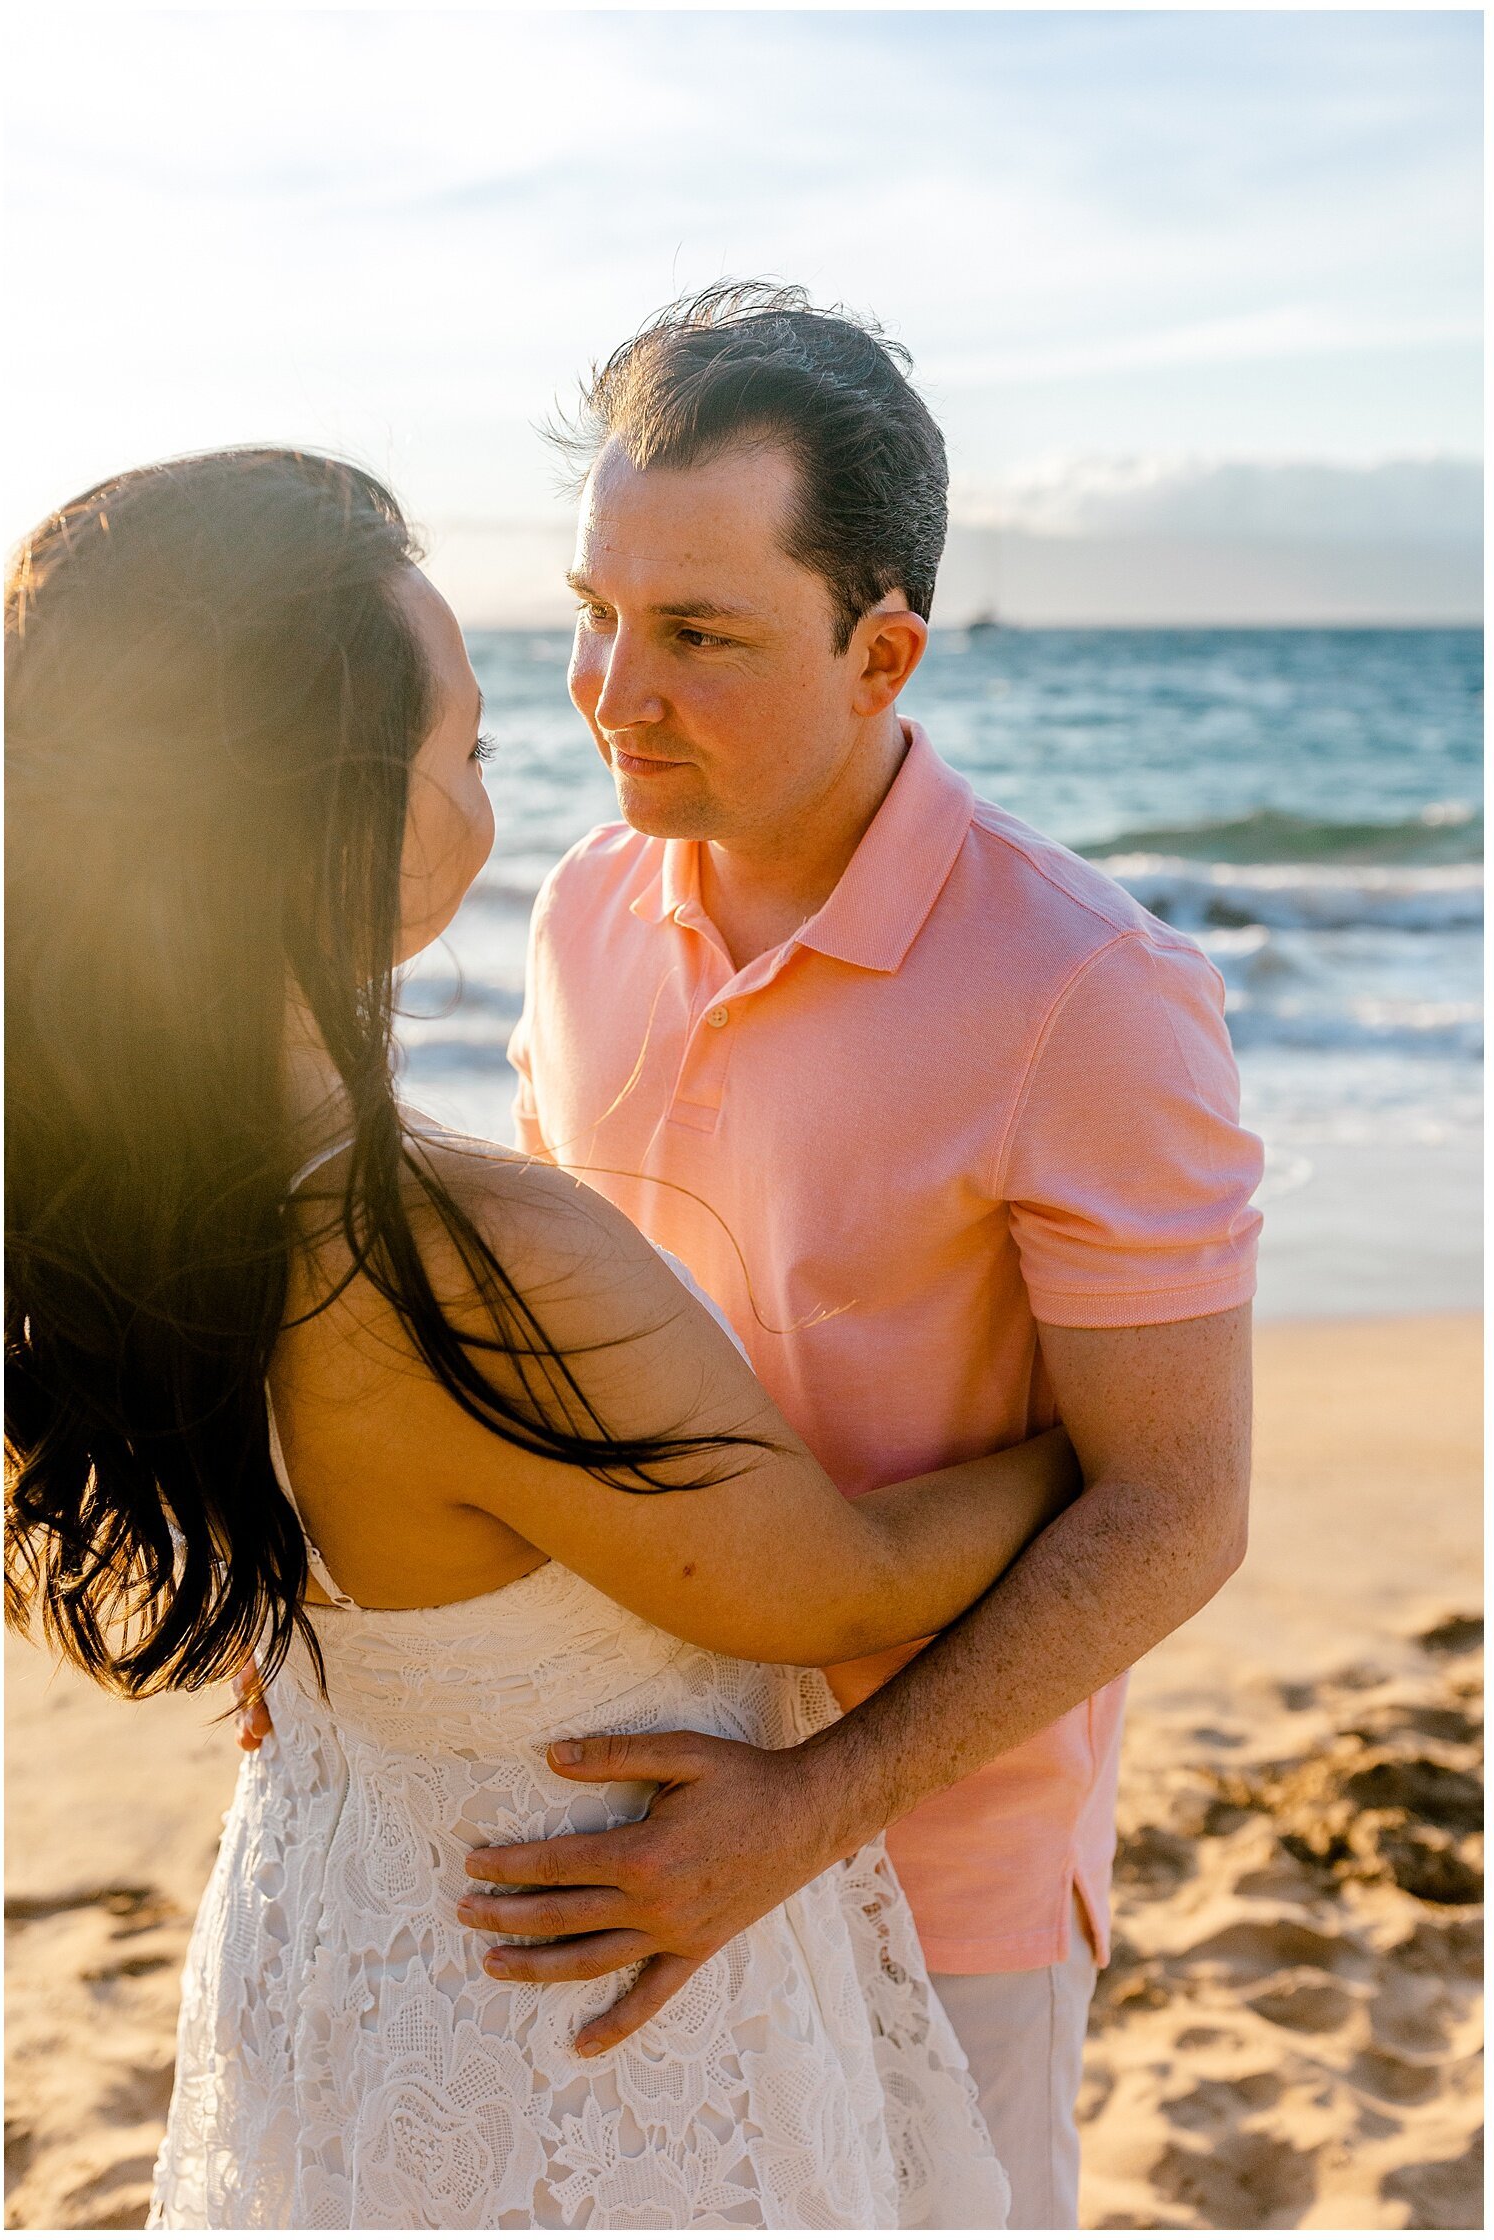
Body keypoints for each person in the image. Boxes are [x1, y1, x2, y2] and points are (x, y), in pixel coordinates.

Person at [6, 446, 1090, 2228]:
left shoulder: (129, 1184)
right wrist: (1084, 1444)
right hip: (572, 2034)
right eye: (470, 753)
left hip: (356, 1935)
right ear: (332, 814)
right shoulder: (449, 1260)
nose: (535, 766)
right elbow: (848, 1587)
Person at [447, 284, 1264, 2230]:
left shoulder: (1089, 993)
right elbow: (553, 1345)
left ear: (883, 649)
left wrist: (810, 1810)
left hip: (945, 1861)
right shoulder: (577, 910)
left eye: (701, 635)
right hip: (617, 1806)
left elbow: (1177, 1507)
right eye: (597, 609)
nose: (609, 689)